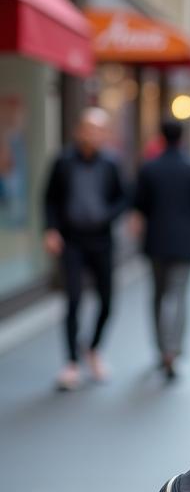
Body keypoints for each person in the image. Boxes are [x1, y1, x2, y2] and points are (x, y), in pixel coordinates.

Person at [43, 107, 127, 390]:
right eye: (88, 129)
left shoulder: (111, 163)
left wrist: (107, 215)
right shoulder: (64, 161)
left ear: (104, 135)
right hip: (72, 240)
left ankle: (92, 348)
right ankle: (70, 362)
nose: (92, 135)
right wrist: (51, 229)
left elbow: (122, 197)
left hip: (101, 239)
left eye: (98, 130)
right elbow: (50, 199)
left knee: (107, 300)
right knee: (73, 301)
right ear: (79, 131)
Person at [133, 119, 190, 379]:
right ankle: (174, 350)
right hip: (185, 241)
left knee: (157, 296)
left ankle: (161, 348)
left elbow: (139, 204)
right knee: (179, 295)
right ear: (182, 138)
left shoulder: (149, 169)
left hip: (155, 241)